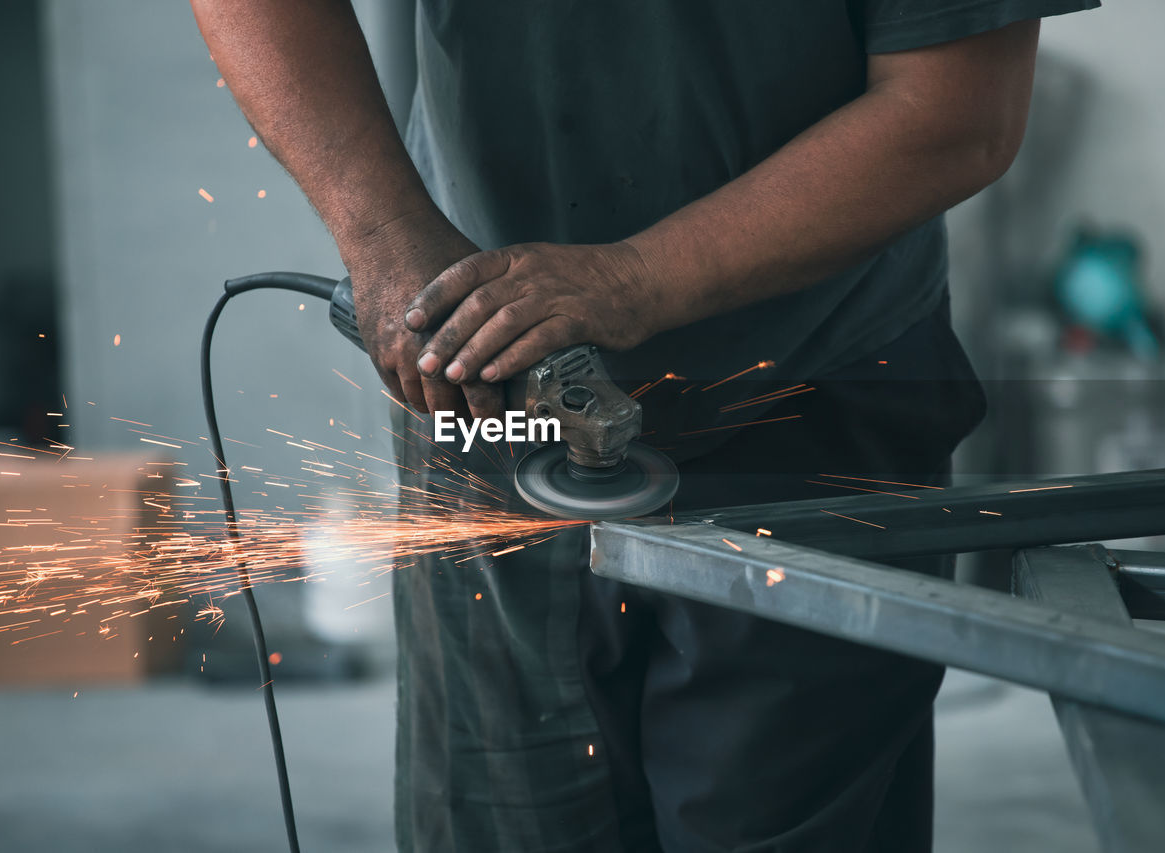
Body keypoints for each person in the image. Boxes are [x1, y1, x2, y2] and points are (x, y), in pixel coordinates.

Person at [192, 1, 1099, 850]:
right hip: (487, 399)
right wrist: (385, 234)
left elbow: (958, 110)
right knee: (503, 819)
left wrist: (635, 279)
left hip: (817, 392)